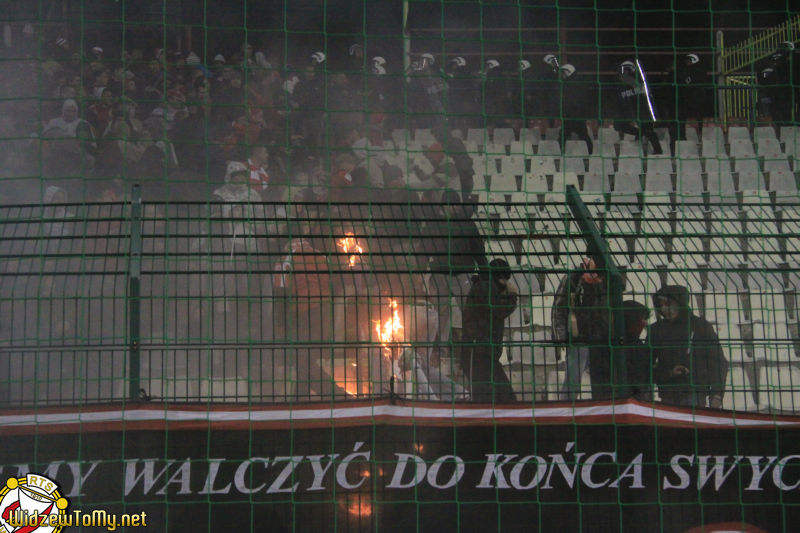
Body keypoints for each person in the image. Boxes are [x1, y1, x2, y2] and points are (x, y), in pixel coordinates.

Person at [650, 285, 728, 408]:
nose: (664, 309)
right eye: (660, 305)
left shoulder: (701, 326)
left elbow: (718, 361)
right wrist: (669, 373)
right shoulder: (656, 330)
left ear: (679, 302)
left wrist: (716, 395)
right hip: (668, 394)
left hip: (695, 392)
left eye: (668, 303)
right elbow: (645, 366)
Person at [552, 256, 610, 400]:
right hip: (579, 336)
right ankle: (566, 413)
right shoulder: (573, 277)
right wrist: (560, 336)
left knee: (601, 382)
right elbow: (558, 307)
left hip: (601, 336)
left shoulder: (608, 275)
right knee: (573, 382)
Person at [461, 259, 518, 403]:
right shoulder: (485, 287)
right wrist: (512, 296)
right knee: (494, 399)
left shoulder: (484, 286)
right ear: (501, 278)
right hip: (478, 354)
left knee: (500, 398)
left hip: (484, 354)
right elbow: (498, 309)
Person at [614, 60, 662, 155]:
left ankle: (657, 150)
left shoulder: (633, 82)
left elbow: (641, 99)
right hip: (638, 113)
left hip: (643, 113)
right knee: (643, 131)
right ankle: (645, 147)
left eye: (624, 70)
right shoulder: (627, 84)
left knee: (646, 131)